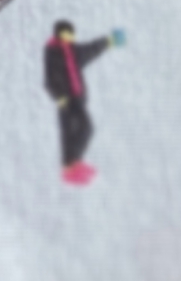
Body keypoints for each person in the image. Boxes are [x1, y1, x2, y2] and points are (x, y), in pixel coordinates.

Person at [44, 19, 125, 184]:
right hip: (66, 100)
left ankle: (72, 164)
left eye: (71, 34)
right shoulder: (53, 53)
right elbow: (49, 78)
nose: (70, 37)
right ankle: (71, 165)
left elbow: (91, 49)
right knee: (77, 130)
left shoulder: (74, 51)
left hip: (77, 98)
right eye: (66, 34)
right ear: (58, 34)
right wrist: (58, 96)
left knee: (82, 129)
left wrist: (109, 41)